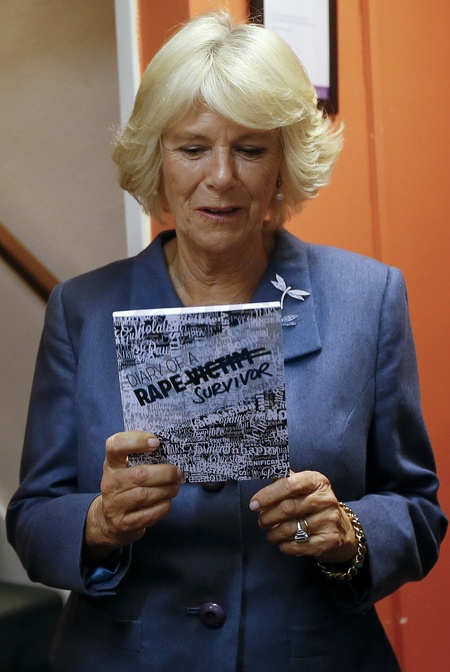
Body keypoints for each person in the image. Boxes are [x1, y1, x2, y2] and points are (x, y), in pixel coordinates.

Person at [6, 11, 447, 672]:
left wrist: (350, 533)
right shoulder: (83, 309)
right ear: (157, 158)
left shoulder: (367, 298)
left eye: (250, 149)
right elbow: (32, 517)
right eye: (192, 148)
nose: (221, 176)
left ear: (282, 164)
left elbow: (417, 509)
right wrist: (97, 523)